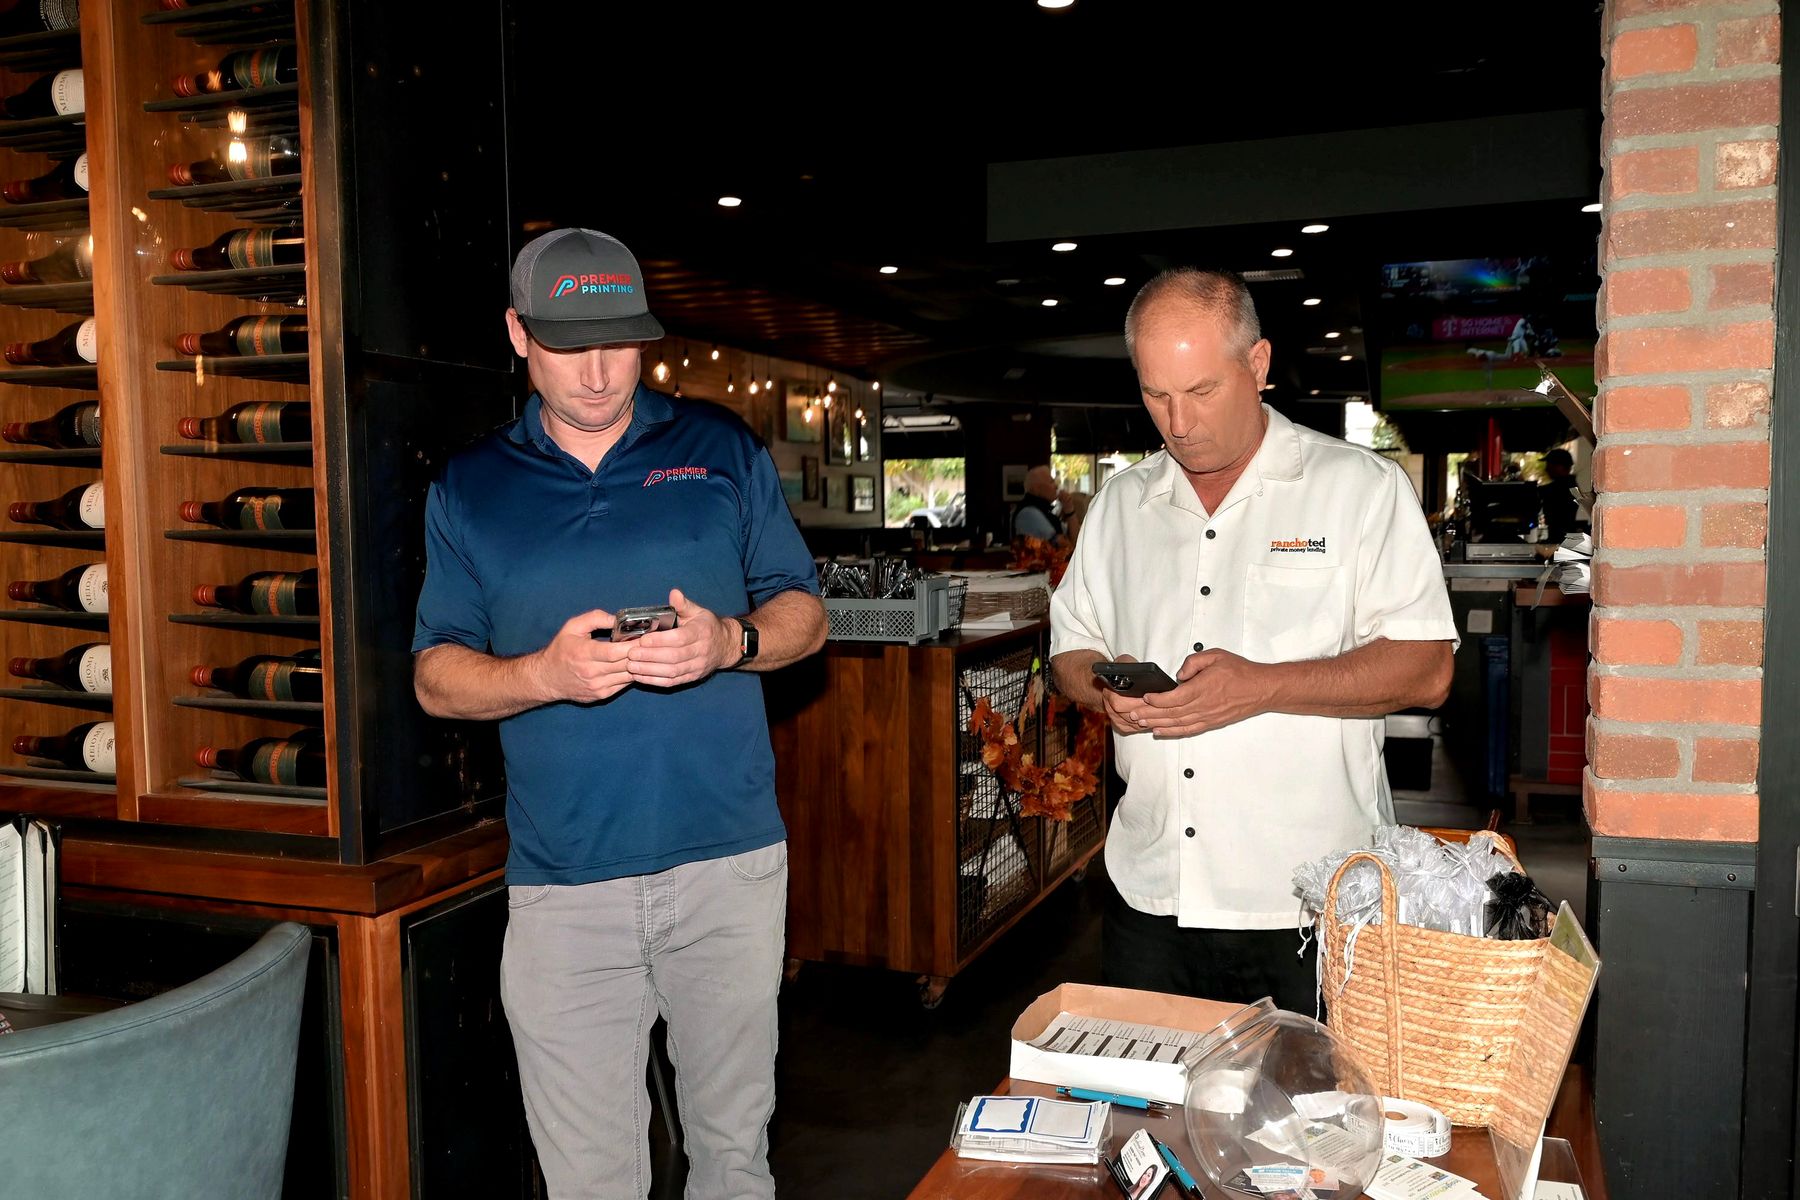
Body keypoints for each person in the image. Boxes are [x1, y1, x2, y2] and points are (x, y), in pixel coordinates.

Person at [411, 227, 827, 1200]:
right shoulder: (470, 486)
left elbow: (805, 615)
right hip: (564, 893)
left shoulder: (719, 449)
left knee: (734, 1163)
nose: (599, 373)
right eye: (570, 346)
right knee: (591, 1185)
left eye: (620, 344)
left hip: (728, 869)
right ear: (519, 335)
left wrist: (731, 642)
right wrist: (544, 674)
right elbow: (435, 677)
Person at [1048, 268, 1456, 1013]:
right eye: (1156, 395)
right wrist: (1107, 687)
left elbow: (1427, 669)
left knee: (1312, 1095)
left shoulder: (1360, 489)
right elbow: (1070, 654)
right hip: (1149, 898)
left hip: (1310, 905)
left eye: (1201, 390)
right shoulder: (1119, 506)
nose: (1179, 421)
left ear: (1259, 364)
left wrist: (1262, 685)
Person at [1539, 447, 1582, 545]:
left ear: (1560, 466)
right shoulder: (1571, 486)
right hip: (1565, 539)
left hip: (1562, 540)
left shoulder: (1563, 487)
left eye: (1549, 464)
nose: (1546, 469)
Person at [1012, 464, 1064, 541]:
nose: (1056, 486)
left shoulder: (1044, 509)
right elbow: (1062, 544)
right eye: (1051, 482)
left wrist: (1069, 510)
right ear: (1037, 488)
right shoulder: (1028, 513)